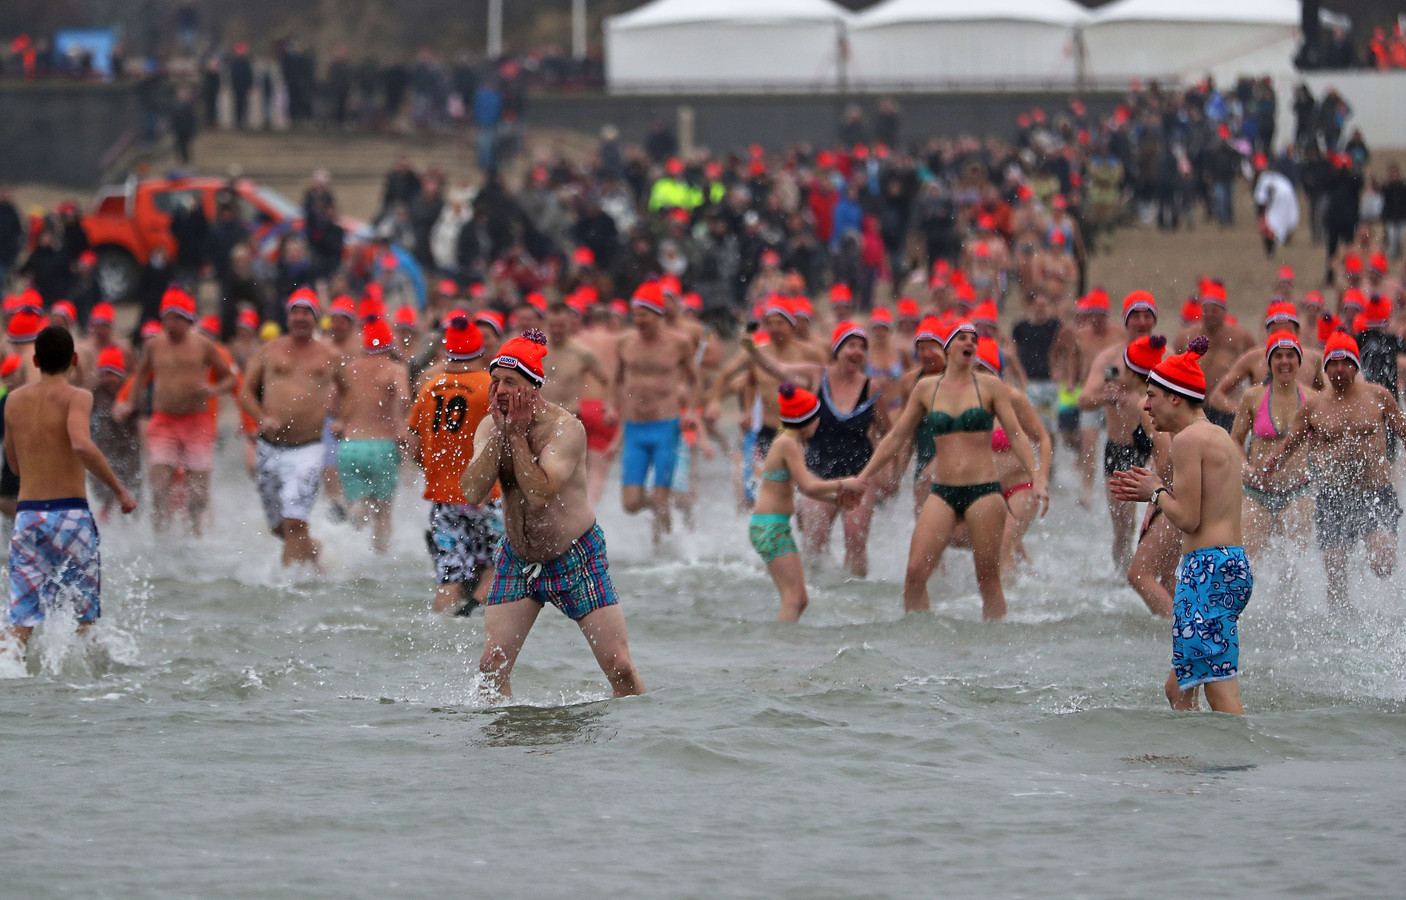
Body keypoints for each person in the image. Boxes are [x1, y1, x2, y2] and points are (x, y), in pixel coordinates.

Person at [461, 329, 645, 699]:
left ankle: (640, 738)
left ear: (533, 388)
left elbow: (540, 493)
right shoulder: (489, 425)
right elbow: (472, 491)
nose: (498, 391)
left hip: (576, 556)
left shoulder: (566, 429)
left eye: (510, 382)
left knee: (619, 668)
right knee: (490, 667)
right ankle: (505, 746)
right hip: (517, 557)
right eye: (495, 381)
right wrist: (501, 434)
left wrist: (516, 437)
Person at [860, 319, 1039, 619]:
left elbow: (1019, 436)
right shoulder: (926, 388)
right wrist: (863, 477)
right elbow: (895, 437)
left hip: (983, 492)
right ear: (947, 347)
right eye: (961, 338)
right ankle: (920, 642)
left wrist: (1038, 477)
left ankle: (996, 649)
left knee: (988, 580)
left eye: (973, 339)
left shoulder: (992, 387)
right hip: (943, 492)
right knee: (915, 573)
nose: (969, 342)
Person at [1111, 336, 1253, 715]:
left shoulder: (1188, 441)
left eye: (1152, 395)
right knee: (1179, 688)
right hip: (1228, 565)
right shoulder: (1218, 435)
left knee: (1219, 695)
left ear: (1175, 397)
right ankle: (1191, 767)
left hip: (1207, 570)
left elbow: (1188, 518)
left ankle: (1235, 769)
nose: (1145, 405)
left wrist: (1155, 491)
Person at [2, 326, 137, 666]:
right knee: (84, 617)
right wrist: (119, 489)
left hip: (29, 515)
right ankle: (81, 694)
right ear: (74, 360)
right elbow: (80, 444)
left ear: (34, 359)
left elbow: (14, 467)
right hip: (71, 516)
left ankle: (8, 676)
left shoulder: (13, 401)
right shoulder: (78, 396)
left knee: (19, 621)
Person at [1262, 331, 1406, 612]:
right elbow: (1290, 443)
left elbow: (1403, 430)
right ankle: (1340, 621)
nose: (1340, 369)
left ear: (1356, 365)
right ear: (1325, 368)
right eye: (1333, 364)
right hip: (1334, 498)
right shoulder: (1314, 406)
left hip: (1375, 494)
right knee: (1335, 568)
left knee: (1383, 564)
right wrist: (1272, 463)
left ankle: (1383, 604)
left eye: (1346, 363)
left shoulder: (1378, 396)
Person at [741, 321, 886, 578]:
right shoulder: (817, 374)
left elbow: (890, 433)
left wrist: (888, 474)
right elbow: (777, 368)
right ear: (837, 348)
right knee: (814, 547)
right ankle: (817, 596)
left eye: (862, 347)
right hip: (818, 473)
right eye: (851, 345)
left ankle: (856, 601)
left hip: (859, 476)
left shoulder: (872, 388)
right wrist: (751, 348)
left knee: (856, 545)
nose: (857, 352)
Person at [115, 288, 236, 534]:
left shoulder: (204, 345)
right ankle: (161, 540)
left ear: (188, 319)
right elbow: (141, 376)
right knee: (158, 488)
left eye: (176, 318)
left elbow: (231, 380)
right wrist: (128, 401)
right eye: (167, 317)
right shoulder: (154, 345)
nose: (170, 324)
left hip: (196, 422)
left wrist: (213, 389)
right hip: (164, 421)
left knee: (198, 496)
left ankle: (196, 536)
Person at [406, 311, 502, 615]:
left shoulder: (430, 386)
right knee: (499, 565)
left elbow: (412, 445)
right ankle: (472, 613)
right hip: (486, 495)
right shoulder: (491, 386)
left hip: (442, 498)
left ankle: (440, 631)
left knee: (450, 578)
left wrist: (434, 471)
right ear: (479, 348)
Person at [240, 290, 338, 569]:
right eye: (296, 311)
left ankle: (288, 589)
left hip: (308, 448)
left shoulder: (330, 354)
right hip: (269, 447)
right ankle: (313, 554)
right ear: (288, 316)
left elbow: (350, 390)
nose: (300, 318)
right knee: (280, 527)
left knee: (295, 521)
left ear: (316, 318)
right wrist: (260, 416)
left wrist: (342, 418)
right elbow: (246, 392)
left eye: (307, 312)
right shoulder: (269, 350)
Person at [750, 383, 863, 621]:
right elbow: (808, 486)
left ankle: (783, 646)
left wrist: (837, 500)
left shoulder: (789, 440)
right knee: (794, 599)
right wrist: (845, 483)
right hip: (770, 528)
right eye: (817, 418)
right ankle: (780, 650)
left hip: (772, 526)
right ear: (806, 419)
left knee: (799, 599)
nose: (820, 423)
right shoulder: (788, 443)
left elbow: (806, 488)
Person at [1080, 292, 1162, 572]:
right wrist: (1107, 396)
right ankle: (1122, 585)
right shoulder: (1111, 358)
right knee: (1124, 531)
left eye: (1147, 315)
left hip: (1159, 451)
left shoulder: (1167, 357)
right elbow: (1083, 400)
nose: (1142, 321)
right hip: (1121, 450)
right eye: (1135, 316)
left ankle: (1155, 576)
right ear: (1126, 322)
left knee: (1165, 526)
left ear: (1154, 320)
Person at [614, 281, 696, 545]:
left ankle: (662, 553)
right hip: (635, 427)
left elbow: (695, 379)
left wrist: (691, 410)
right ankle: (661, 509)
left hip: (666, 424)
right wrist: (609, 406)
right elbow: (615, 379)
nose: (638, 320)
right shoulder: (625, 342)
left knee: (661, 497)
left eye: (644, 314)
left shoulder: (679, 343)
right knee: (631, 502)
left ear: (658, 315)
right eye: (635, 314)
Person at [1231, 332, 1316, 560]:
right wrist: (1244, 467)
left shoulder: (1313, 399)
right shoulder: (1252, 397)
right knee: (1249, 562)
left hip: (1298, 491)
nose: (1284, 361)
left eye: (1290, 355)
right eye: (1278, 356)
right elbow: (1235, 441)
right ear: (1269, 361)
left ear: (1299, 360)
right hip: (1256, 492)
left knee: (1294, 566)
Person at [331, 316, 411, 553]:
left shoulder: (349, 368)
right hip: (382, 446)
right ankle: (380, 560)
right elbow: (405, 397)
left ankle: (349, 519)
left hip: (350, 447)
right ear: (390, 343)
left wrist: (341, 420)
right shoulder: (395, 368)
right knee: (384, 513)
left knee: (359, 502)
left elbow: (330, 401)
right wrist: (398, 422)